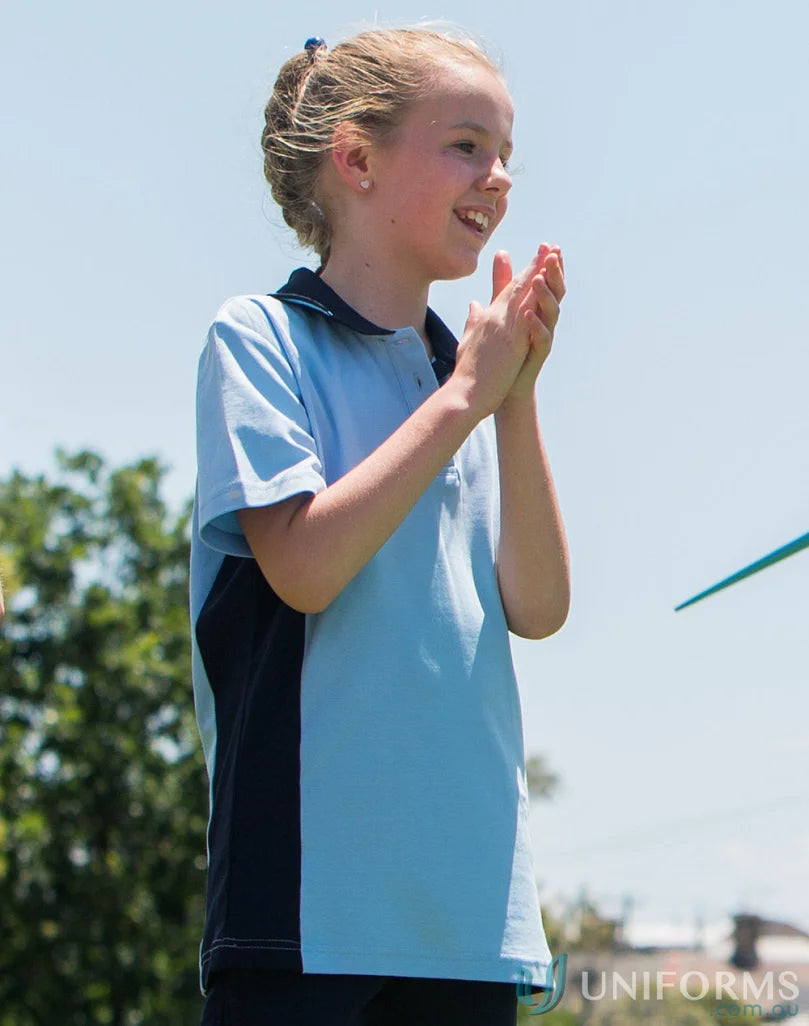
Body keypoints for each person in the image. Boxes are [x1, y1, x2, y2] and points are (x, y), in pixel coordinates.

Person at [191, 26, 570, 1026]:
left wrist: (512, 395)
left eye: (503, 153)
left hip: (466, 923)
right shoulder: (259, 339)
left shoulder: (467, 380)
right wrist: (463, 401)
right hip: (308, 918)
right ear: (354, 159)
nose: (494, 177)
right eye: (463, 144)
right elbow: (304, 567)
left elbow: (537, 604)